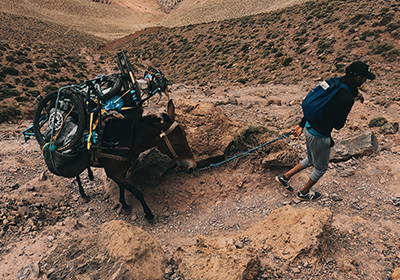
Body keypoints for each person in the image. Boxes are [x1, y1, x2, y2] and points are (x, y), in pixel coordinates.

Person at [276, 61, 376, 201]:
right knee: (320, 169)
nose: (365, 81)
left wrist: (302, 124)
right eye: (365, 78)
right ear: (358, 77)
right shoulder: (346, 97)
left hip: (309, 128)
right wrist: (349, 104)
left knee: (311, 159)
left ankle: (284, 177)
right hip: (320, 136)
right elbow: (339, 125)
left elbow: (318, 105)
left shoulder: (334, 83)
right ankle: (303, 193)